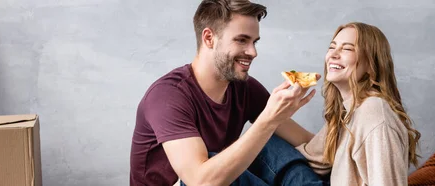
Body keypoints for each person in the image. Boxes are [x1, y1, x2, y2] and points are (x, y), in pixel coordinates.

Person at [129, 0, 327, 185]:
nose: (253, 52)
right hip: (192, 182)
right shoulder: (168, 96)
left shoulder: (244, 88)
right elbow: (200, 181)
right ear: (209, 38)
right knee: (219, 158)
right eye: (242, 40)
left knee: (271, 145)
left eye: (254, 42)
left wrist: (354, 142)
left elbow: (307, 141)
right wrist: (268, 121)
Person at [292, 22, 422, 185]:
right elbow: (313, 159)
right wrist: (276, 114)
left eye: (347, 49)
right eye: (332, 47)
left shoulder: (374, 113)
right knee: (262, 147)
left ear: (371, 65)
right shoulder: (349, 110)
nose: (333, 54)